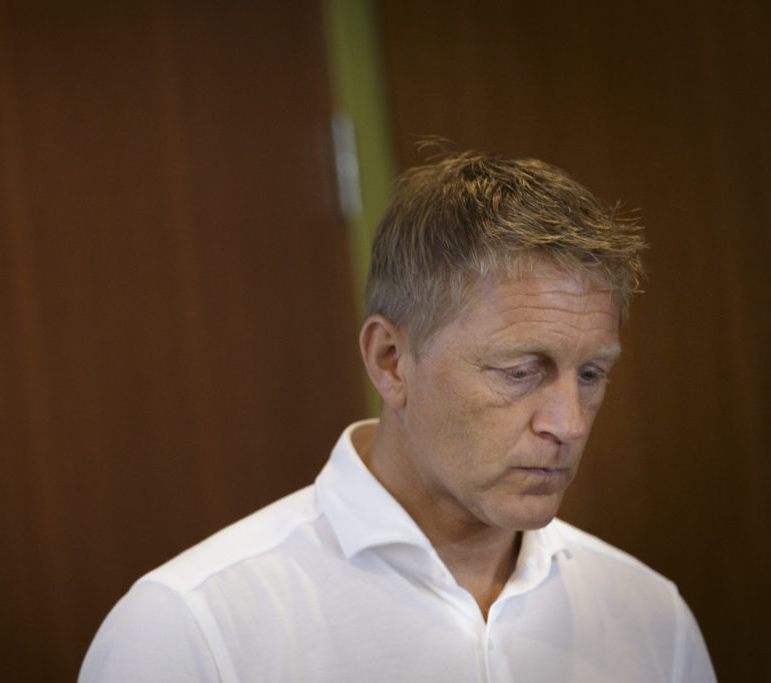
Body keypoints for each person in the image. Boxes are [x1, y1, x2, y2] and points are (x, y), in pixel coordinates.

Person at [79, 147, 717, 682]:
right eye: (520, 371)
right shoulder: (191, 627)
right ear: (391, 361)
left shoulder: (651, 617)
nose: (570, 424)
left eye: (591, 374)